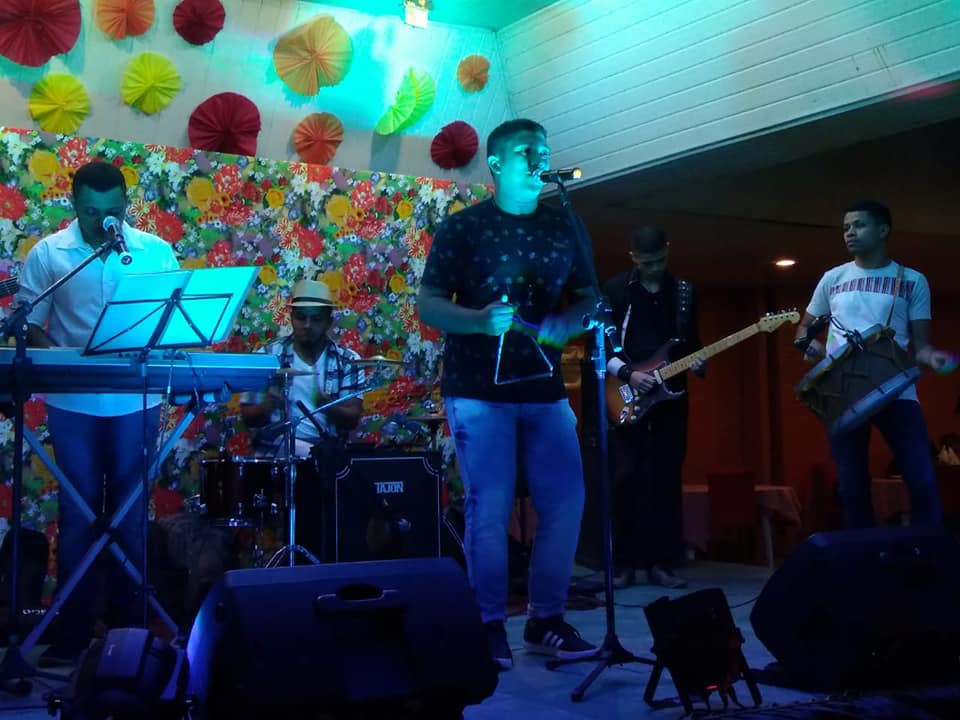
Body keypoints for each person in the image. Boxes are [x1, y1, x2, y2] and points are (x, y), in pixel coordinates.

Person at [418, 118, 598, 671]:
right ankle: (487, 623)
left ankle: (546, 620)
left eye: (544, 149)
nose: (539, 158)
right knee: (489, 506)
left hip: (545, 388)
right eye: (526, 151)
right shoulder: (464, 227)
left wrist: (567, 322)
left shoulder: (565, 223)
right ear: (495, 163)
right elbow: (429, 304)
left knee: (566, 500)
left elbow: (589, 299)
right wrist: (477, 320)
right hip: (477, 389)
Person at [15, 161, 180, 659]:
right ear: (74, 205)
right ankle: (72, 634)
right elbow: (32, 322)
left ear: (125, 205)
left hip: (137, 399)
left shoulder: (154, 251)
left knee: (130, 515)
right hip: (73, 401)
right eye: (90, 212)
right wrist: (64, 363)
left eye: (112, 212)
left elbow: (169, 320)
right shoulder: (49, 254)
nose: (102, 222)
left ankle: (131, 637)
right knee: (79, 514)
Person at [796, 200, 952, 528]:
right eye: (846, 227)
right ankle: (864, 554)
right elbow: (804, 329)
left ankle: (927, 551)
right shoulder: (832, 278)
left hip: (897, 391)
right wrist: (810, 345)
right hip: (843, 394)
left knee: (921, 478)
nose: (850, 233)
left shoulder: (912, 280)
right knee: (852, 486)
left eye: (859, 225)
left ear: (883, 230)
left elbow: (921, 347)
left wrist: (932, 357)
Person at [603, 226, 704, 590]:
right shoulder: (615, 290)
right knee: (624, 478)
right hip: (626, 390)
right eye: (647, 263)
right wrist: (628, 374)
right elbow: (600, 345)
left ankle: (663, 562)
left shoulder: (684, 292)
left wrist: (698, 363)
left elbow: (691, 342)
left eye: (660, 260)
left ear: (668, 250)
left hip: (671, 396)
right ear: (633, 258)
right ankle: (624, 563)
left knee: (666, 479)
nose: (654, 268)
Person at [239, 278, 364, 558]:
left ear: (329, 321)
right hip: (275, 454)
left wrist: (326, 404)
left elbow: (352, 418)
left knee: (326, 478)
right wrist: (267, 405)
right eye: (301, 317)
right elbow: (248, 417)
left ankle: (316, 557)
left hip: (326, 456)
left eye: (316, 319)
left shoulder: (347, 360)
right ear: (291, 317)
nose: (307, 325)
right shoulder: (267, 356)